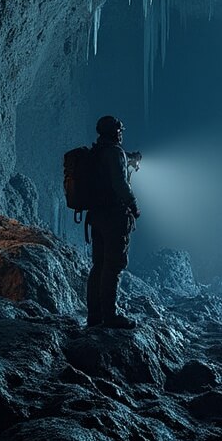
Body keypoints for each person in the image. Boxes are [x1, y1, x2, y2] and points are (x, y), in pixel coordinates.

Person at [86, 115, 140, 329]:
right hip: (113, 217)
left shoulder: (96, 151)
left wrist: (130, 158)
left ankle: (94, 316)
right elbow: (119, 183)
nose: (121, 133)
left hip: (96, 216)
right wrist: (133, 205)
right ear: (115, 132)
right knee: (113, 266)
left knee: (98, 265)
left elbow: (113, 164)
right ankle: (110, 316)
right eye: (120, 130)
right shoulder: (114, 152)